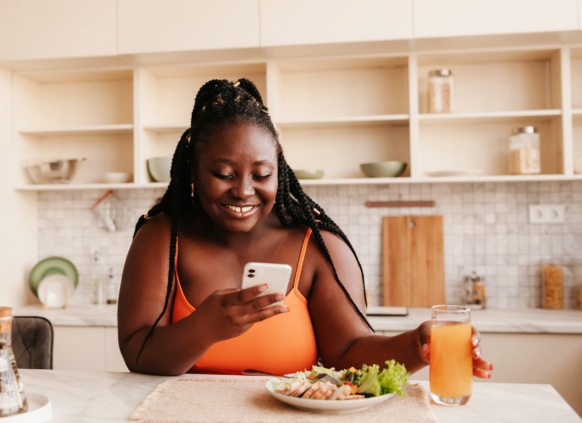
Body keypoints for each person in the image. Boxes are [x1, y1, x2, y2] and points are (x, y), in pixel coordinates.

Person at [118, 78, 494, 379]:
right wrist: (205, 327)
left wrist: (416, 346)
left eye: (261, 174)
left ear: (278, 173)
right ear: (193, 172)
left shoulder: (317, 246)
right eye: (224, 174)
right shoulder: (161, 238)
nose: (244, 190)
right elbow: (138, 352)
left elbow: (349, 353)